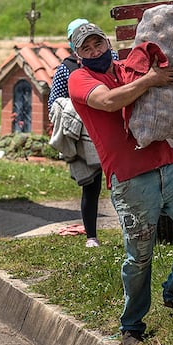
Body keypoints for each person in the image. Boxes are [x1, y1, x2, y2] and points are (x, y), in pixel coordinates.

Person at [67, 21, 173, 345]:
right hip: (129, 177)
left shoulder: (128, 67)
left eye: (97, 44)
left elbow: (167, 92)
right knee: (139, 255)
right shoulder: (80, 79)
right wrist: (151, 80)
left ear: (106, 42)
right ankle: (131, 324)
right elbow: (108, 102)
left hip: (165, 161)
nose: (94, 52)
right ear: (78, 54)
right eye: (86, 49)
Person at [47, 19, 108, 248]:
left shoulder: (110, 60)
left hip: (109, 130)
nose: (93, 50)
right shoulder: (65, 70)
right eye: (82, 44)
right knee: (91, 186)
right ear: (74, 46)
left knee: (123, 186)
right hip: (85, 137)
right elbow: (54, 103)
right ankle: (91, 236)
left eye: (96, 43)